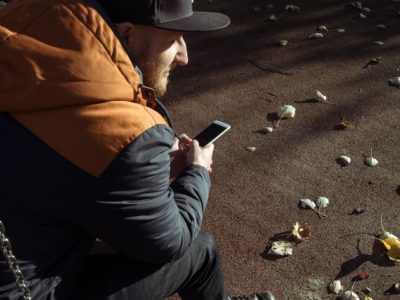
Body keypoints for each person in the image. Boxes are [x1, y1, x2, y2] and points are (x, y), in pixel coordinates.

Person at [0, 0, 274, 299]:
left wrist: (139, 172)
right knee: (199, 251)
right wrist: (196, 172)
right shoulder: (120, 133)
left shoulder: (23, 40)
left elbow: (49, 168)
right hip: (30, 291)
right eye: (173, 40)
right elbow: (171, 242)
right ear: (127, 35)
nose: (184, 56)